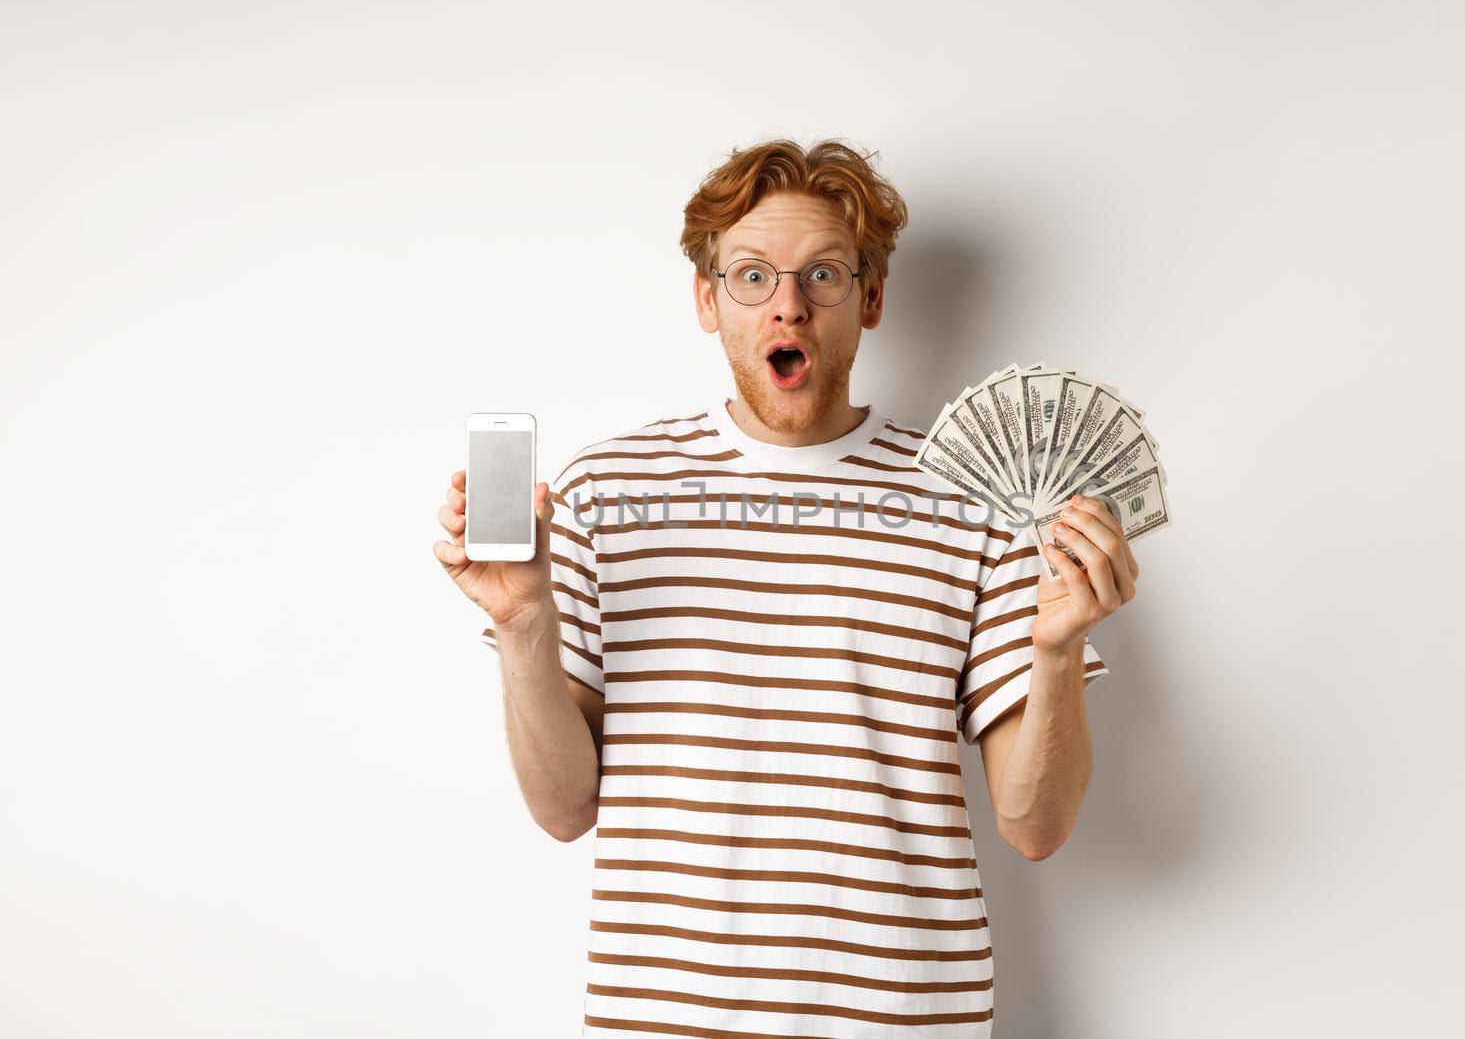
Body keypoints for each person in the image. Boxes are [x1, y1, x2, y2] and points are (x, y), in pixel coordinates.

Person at [432, 137, 1141, 1037]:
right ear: (707, 299)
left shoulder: (975, 501)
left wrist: (1056, 646)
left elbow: (1035, 826)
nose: (790, 308)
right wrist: (528, 622)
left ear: (872, 296)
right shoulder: (602, 493)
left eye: (825, 275)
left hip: (905, 1019)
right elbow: (564, 809)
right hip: (667, 1019)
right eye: (754, 277)